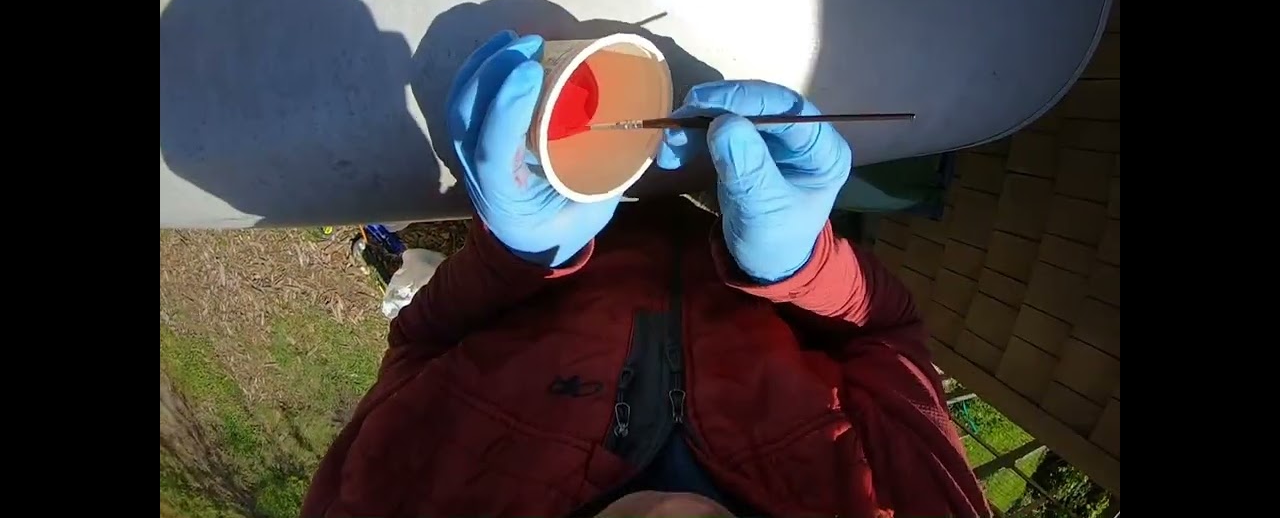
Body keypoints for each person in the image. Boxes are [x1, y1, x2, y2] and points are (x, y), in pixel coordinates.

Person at [302, 31, 990, 517]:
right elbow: (885, 333)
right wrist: (798, 264)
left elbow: (421, 345)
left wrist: (518, 257)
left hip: (559, 155)